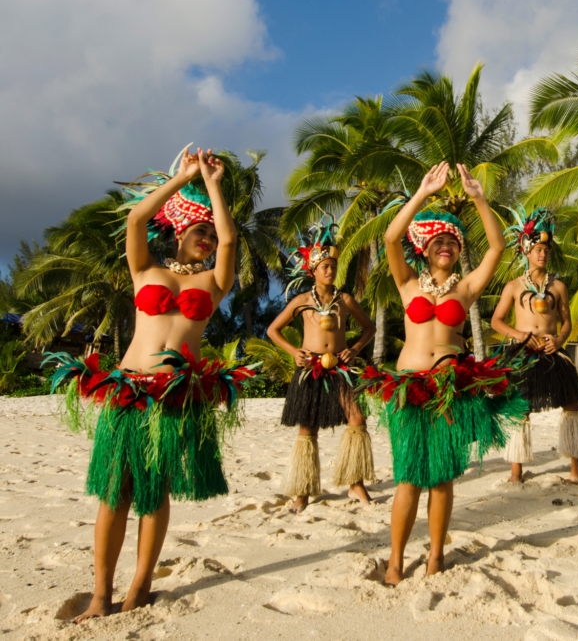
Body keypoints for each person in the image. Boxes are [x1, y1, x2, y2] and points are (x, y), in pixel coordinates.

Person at [48, 148, 251, 620]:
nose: (206, 239)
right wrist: (182, 178)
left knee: (154, 493)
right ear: (179, 231)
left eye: (208, 231)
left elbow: (229, 240)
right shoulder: (146, 270)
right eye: (197, 231)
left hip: (176, 398)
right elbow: (137, 219)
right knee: (115, 491)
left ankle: (139, 585)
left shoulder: (213, 283)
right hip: (130, 391)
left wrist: (213, 184)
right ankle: (101, 592)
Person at [369, 162, 527, 585]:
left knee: (441, 477)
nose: (447, 246)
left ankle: (437, 555)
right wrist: (420, 194)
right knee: (408, 478)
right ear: (424, 246)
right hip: (408, 386)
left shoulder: (466, 287)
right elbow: (389, 238)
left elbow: (496, 248)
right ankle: (397, 560)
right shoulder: (407, 284)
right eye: (439, 239)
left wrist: (478, 197)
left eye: (453, 242)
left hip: (450, 389)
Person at [268, 219, 377, 512]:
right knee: (308, 429)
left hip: (341, 368)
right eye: (324, 266)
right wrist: (293, 351)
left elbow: (370, 329)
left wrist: (354, 349)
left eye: (333, 266)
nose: (330, 271)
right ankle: (303, 490)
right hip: (311, 369)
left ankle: (355, 484)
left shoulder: (345, 300)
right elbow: (272, 330)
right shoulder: (302, 301)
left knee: (357, 420)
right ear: (313, 270)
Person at [491, 206, 578, 483]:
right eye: (537, 249)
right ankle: (516, 473)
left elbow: (567, 322)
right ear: (526, 251)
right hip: (522, 352)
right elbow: (496, 321)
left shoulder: (558, 287)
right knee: (519, 408)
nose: (543, 254)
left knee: (572, 404)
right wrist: (519, 335)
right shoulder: (513, 285)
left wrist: (559, 340)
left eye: (546, 250)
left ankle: (577, 470)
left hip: (551, 350)